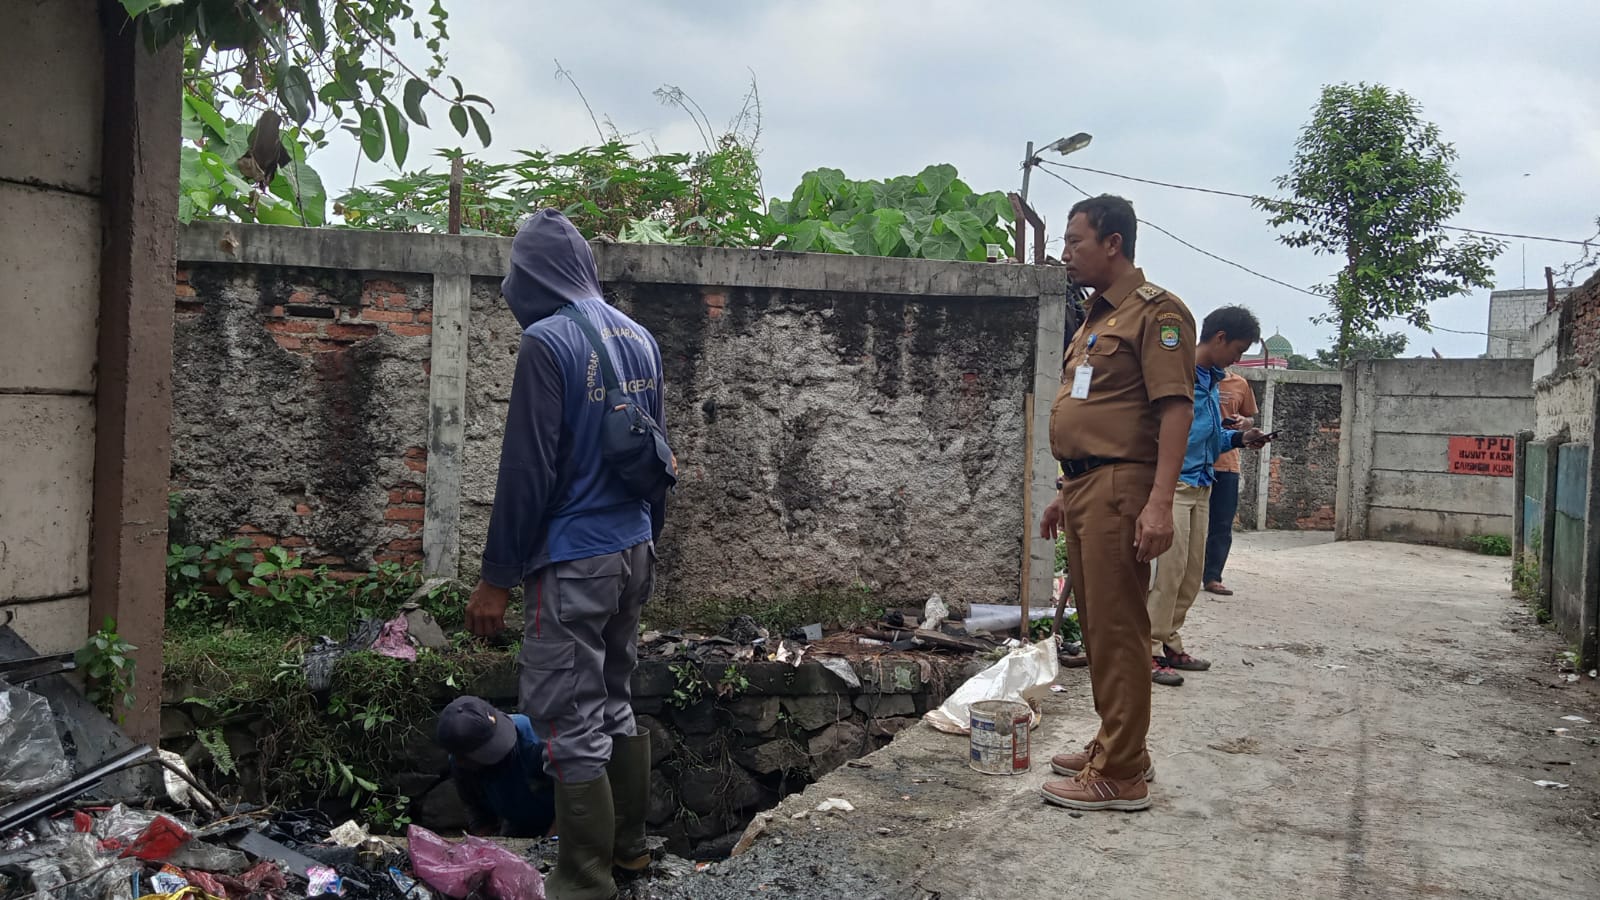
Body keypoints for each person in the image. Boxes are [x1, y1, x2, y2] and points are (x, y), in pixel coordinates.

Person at [465, 209, 668, 900]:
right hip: (632, 550)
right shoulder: (639, 337)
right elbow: (658, 459)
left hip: (574, 562)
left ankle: (583, 884)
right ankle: (630, 856)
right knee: (614, 701)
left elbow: (526, 472)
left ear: (531, 275)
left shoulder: (547, 344)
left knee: (564, 720)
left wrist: (496, 579)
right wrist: (648, 544)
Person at [1038, 195, 1196, 813]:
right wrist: (1065, 490)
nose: (1067, 252)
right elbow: (1095, 411)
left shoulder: (1156, 314)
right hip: (1084, 486)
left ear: (1113, 242)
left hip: (1120, 488)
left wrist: (1158, 504)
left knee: (1119, 627)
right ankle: (1115, 744)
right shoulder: (1094, 317)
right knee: (1102, 628)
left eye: (1076, 241)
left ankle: (1122, 773)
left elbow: (1174, 408)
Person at [1146, 307, 1267, 687]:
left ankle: (1169, 641)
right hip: (1175, 484)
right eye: (1238, 348)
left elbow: (1208, 437)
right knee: (1167, 572)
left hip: (1203, 482)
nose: (1239, 358)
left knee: (1190, 572)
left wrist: (1240, 438)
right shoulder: (1178, 376)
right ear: (1218, 338)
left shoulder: (1213, 382)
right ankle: (1145, 648)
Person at [436, 695, 556, 838]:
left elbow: (575, 798)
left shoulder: (539, 743)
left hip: (564, 817)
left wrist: (549, 843)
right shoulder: (462, 765)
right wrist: (485, 843)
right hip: (518, 821)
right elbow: (476, 809)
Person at [1203, 369, 1259, 596]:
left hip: (1228, 464)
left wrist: (1244, 422)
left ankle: (1213, 576)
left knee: (1222, 524)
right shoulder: (1194, 376)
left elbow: (1250, 418)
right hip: (1196, 462)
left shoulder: (1240, 383)